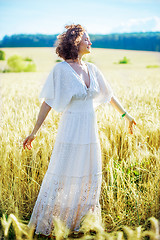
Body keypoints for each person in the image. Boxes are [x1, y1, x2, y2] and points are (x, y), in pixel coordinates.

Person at [23, 24, 136, 237]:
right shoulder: (60, 70)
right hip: (70, 132)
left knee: (89, 176)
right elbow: (48, 102)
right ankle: (52, 223)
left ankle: (79, 223)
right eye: (87, 39)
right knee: (64, 175)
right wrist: (34, 131)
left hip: (90, 134)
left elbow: (109, 95)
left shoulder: (92, 69)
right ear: (76, 42)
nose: (90, 43)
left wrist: (127, 116)